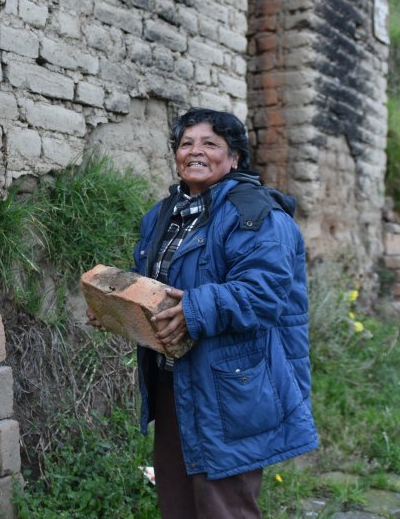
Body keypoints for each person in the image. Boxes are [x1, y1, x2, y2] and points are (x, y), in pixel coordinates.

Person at [88, 108, 318, 518]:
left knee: (222, 507)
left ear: (234, 159)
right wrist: (119, 311)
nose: (195, 151)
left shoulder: (257, 215)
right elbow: (160, 290)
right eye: (186, 143)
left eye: (210, 144)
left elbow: (264, 293)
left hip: (233, 387)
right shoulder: (162, 215)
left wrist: (196, 307)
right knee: (177, 503)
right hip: (174, 382)